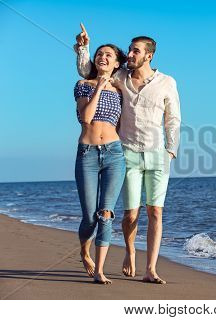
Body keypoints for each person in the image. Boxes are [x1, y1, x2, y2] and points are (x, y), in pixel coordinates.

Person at [74, 23, 181, 284]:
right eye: (130, 51)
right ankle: (130, 251)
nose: (130, 55)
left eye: (135, 51)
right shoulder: (119, 77)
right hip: (126, 152)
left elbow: (173, 119)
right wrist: (84, 47)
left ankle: (151, 269)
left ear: (149, 55)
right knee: (130, 214)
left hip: (157, 153)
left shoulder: (167, 82)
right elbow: (90, 70)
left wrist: (171, 151)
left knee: (156, 212)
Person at [74, 41, 127, 284]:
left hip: (114, 154)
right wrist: (99, 87)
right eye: (99, 54)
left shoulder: (121, 90)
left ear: (117, 63)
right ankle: (84, 251)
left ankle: (100, 271)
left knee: (106, 213)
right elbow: (85, 118)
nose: (103, 57)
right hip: (88, 153)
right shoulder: (83, 85)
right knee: (90, 217)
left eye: (108, 55)